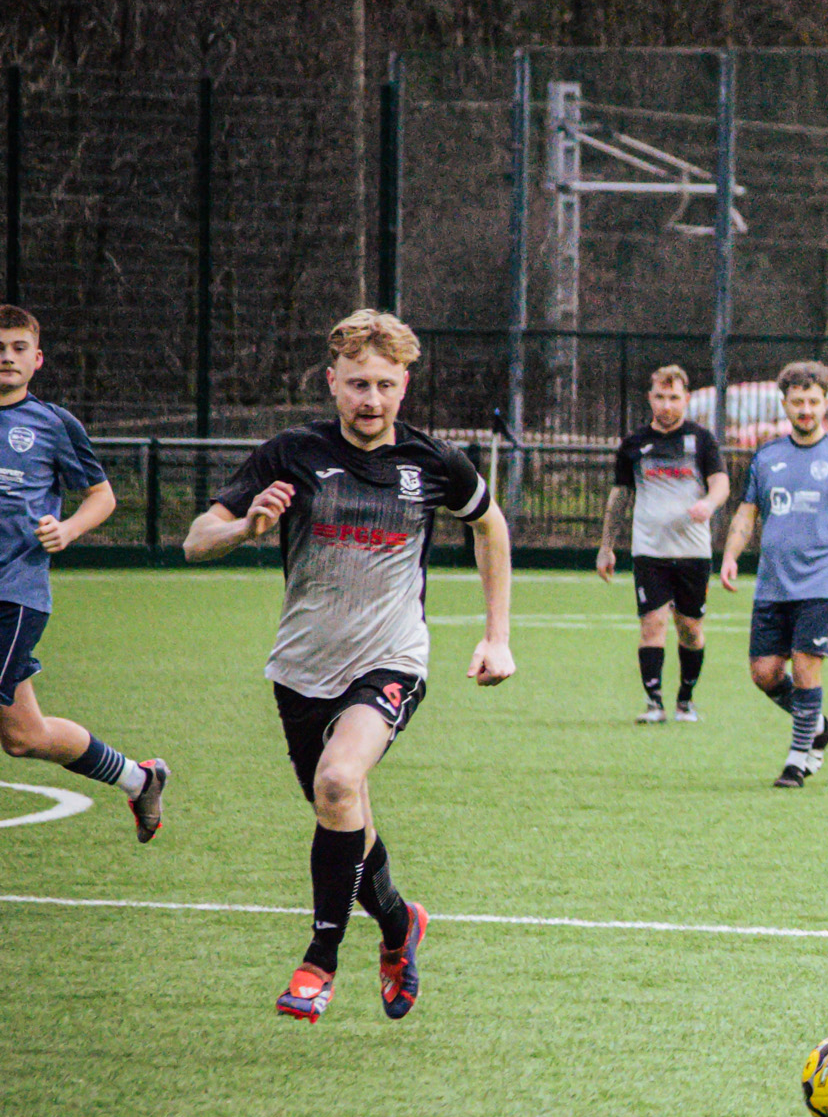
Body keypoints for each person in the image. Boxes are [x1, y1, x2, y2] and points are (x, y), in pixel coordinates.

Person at [184, 310, 515, 1022]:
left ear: (405, 387)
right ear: (331, 383)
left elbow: (490, 524)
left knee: (339, 779)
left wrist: (498, 636)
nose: (371, 399)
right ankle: (399, 926)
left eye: (385, 385)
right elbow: (195, 539)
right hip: (302, 668)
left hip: (392, 657)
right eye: (357, 383)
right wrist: (246, 526)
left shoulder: (432, 462)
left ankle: (319, 960)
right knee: (342, 813)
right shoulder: (292, 453)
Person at [0, 304, 170, 837]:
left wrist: (69, 530)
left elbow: (102, 496)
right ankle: (139, 781)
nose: (6, 357)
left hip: (15, 593)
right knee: (24, 736)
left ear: (37, 359)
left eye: (18, 348)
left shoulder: (52, 424)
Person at [718, 361, 828, 789]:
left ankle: (798, 759)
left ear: (826, 403)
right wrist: (731, 554)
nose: (805, 409)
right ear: (785, 404)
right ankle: (818, 726)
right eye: (797, 402)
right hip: (773, 583)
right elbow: (747, 512)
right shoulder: (768, 457)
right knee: (765, 673)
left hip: (822, 582)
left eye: (813, 401)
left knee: (808, 670)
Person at [597, 364, 728, 722]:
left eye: (674, 397)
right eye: (660, 397)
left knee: (690, 628)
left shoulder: (702, 440)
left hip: (693, 553)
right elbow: (619, 498)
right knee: (652, 624)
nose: (667, 405)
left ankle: (685, 698)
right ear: (650, 398)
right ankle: (654, 702)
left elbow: (721, 484)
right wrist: (607, 546)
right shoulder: (634, 445)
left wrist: (709, 504)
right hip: (649, 551)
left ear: (686, 398)